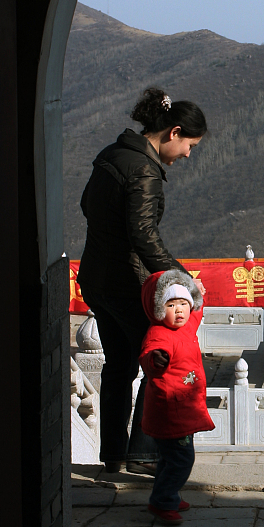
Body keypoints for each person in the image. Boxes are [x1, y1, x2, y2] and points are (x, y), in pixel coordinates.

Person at [76, 86, 207, 475]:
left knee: (118, 368)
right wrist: (182, 279)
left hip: (95, 279)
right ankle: (146, 453)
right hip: (126, 283)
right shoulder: (145, 171)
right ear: (174, 132)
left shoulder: (112, 154)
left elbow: (87, 206)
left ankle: (113, 455)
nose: (187, 154)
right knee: (161, 360)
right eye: (190, 145)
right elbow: (144, 235)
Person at [139, 269, 214, 525]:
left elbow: (197, 312)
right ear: (159, 308)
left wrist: (199, 292)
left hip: (185, 407)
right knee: (182, 459)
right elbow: (149, 355)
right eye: (171, 305)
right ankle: (162, 500)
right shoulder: (158, 334)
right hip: (170, 410)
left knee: (170, 458)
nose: (180, 310)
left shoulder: (186, 325)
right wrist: (155, 360)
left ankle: (167, 494)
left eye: (183, 303)